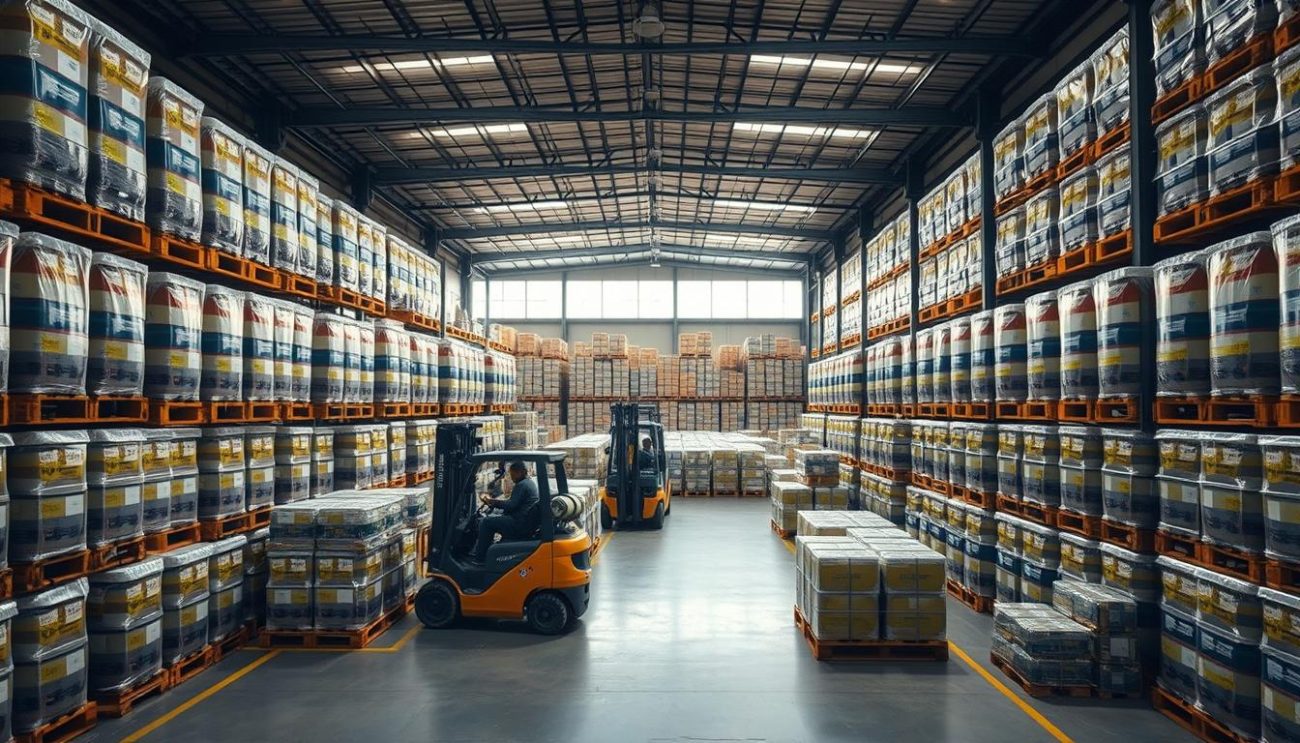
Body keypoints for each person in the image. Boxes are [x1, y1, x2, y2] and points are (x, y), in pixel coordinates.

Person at [470, 461, 539, 564]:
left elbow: (511, 505)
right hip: (523, 520)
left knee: (486, 522)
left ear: (521, 472)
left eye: (513, 474)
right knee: (494, 518)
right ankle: (488, 550)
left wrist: (494, 502)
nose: (511, 477)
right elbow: (513, 504)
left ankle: (480, 558)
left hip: (519, 523)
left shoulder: (522, 485)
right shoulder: (529, 483)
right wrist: (497, 504)